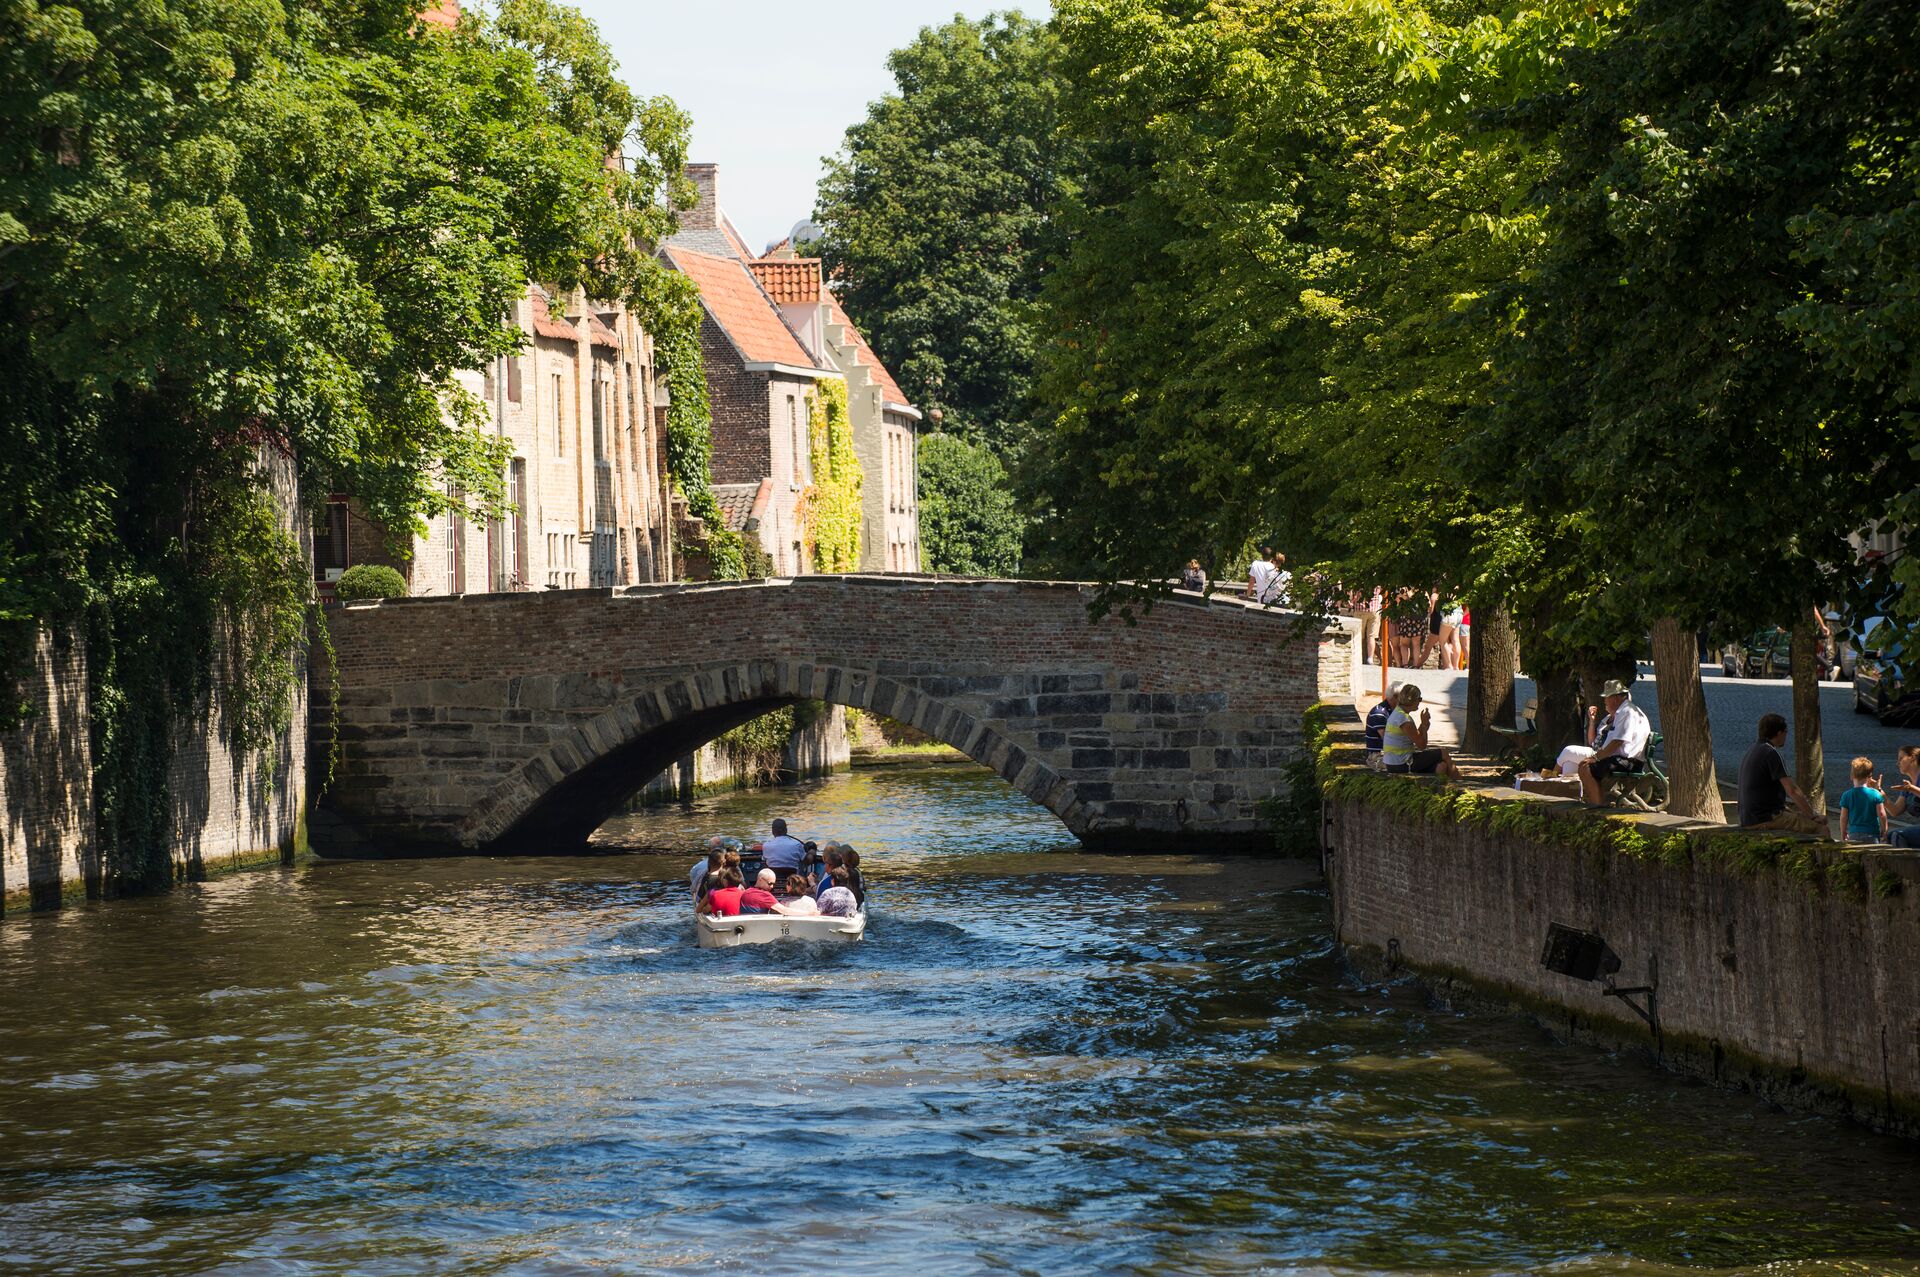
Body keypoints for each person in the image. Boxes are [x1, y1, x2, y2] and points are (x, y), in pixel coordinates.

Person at [1737, 713, 1826, 834]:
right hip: (1765, 817)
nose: (1786, 735)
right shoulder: (1772, 753)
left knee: (1801, 817)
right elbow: (1792, 790)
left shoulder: (1753, 750)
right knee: (1821, 828)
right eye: (1786, 732)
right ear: (1779, 733)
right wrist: (1812, 815)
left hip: (1748, 817)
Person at [1576, 679, 1652, 805]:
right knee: (1585, 766)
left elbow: (1617, 742)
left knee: (1585, 767)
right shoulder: (1624, 711)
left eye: (1606, 698)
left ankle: (1597, 806)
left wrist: (1595, 758)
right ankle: (1597, 803)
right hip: (1623, 759)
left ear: (1615, 698)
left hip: (1628, 761)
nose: (1604, 701)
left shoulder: (1627, 712)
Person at [1380, 683, 1463, 780]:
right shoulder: (1404, 719)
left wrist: (1424, 725)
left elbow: (1414, 736)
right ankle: (1460, 782)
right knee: (1443, 753)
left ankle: (1441, 786)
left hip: (1395, 763)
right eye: (1419, 699)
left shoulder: (1398, 713)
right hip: (1401, 763)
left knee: (1441, 766)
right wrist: (1424, 724)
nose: (1420, 702)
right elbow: (1422, 745)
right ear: (1411, 700)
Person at [1838, 757, 1888, 844]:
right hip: (1872, 834)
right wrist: (1884, 830)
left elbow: (1844, 817)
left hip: (1854, 833)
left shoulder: (1846, 795)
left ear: (1851, 776)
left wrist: (1843, 831)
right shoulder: (1875, 794)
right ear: (1870, 777)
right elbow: (1881, 814)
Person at [1882, 746, 1920, 848]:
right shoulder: (1908, 785)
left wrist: (1912, 789)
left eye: (1901, 758)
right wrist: (1880, 793)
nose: (1897, 763)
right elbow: (1895, 811)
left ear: (1912, 758)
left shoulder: (1909, 787)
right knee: (1888, 836)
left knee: (1898, 835)